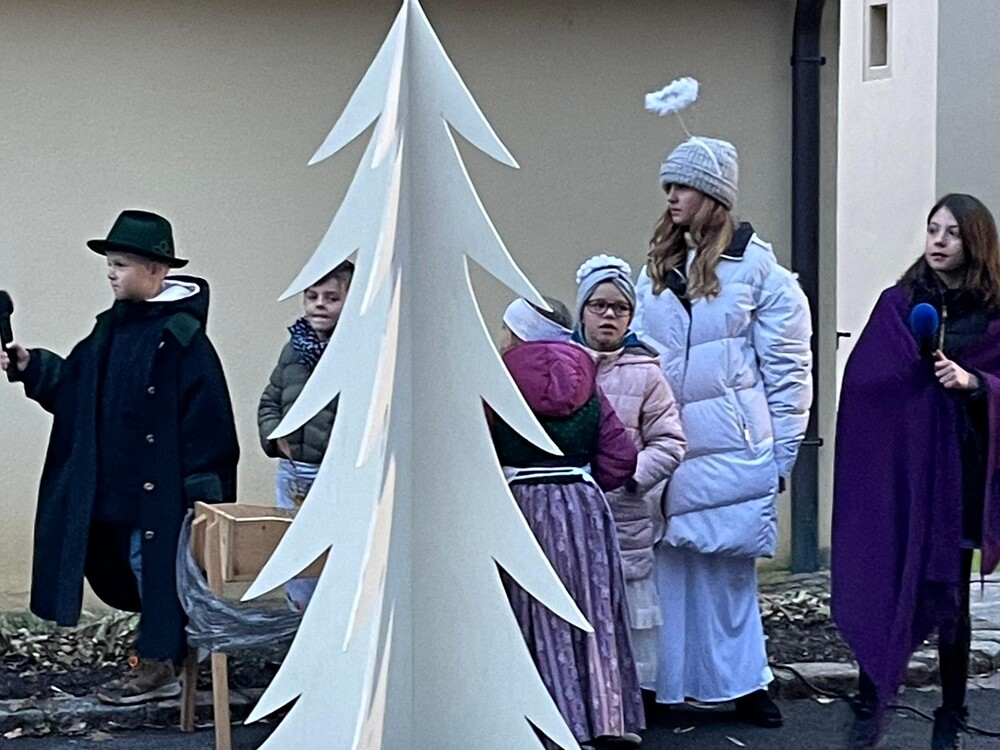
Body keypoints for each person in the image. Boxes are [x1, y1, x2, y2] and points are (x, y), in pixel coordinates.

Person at [1, 210, 239, 705]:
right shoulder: (109, 330)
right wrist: (30, 366)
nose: (111, 273)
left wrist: (202, 498)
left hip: (159, 497)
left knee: (153, 573)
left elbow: (210, 423)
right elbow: (76, 391)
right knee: (130, 572)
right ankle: (165, 654)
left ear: (157, 270)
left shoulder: (182, 339)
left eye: (121, 264)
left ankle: (160, 665)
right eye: (109, 263)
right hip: (111, 491)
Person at [632, 136, 812, 727]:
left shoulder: (762, 274)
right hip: (666, 446)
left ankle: (745, 684)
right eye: (668, 185)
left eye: (682, 185)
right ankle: (659, 684)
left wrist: (780, 455)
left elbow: (789, 371)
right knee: (665, 569)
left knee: (727, 572)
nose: (671, 196)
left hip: (732, 448)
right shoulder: (654, 270)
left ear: (713, 195)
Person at [832, 193, 1000, 750]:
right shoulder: (899, 304)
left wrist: (975, 384)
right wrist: (915, 388)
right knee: (884, 578)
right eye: (932, 230)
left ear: (975, 241)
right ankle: (870, 697)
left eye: (952, 232)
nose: (938, 241)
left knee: (952, 597)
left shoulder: (995, 314)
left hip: (961, 479)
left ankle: (951, 713)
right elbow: (864, 385)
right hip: (901, 474)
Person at [492, 297, 645, 749]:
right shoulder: (586, 377)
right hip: (582, 503)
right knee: (592, 609)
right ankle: (605, 718)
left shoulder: (497, 378)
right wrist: (583, 481)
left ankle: (548, 722)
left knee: (533, 610)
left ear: (517, 331)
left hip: (521, 505)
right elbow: (622, 456)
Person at [573, 254, 686, 689]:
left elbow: (670, 442)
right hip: (571, 510)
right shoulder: (562, 365)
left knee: (625, 612)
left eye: (619, 308)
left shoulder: (647, 374)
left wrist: (630, 476)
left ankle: (628, 699)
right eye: (599, 305)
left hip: (625, 513)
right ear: (583, 310)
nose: (609, 316)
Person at [258, 260, 353, 611]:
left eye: (332, 298)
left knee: (338, 556)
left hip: (338, 473)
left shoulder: (361, 350)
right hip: (294, 471)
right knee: (297, 556)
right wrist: (274, 436)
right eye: (312, 296)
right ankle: (298, 625)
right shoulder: (295, 349)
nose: (319, 305)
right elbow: (270, 400)